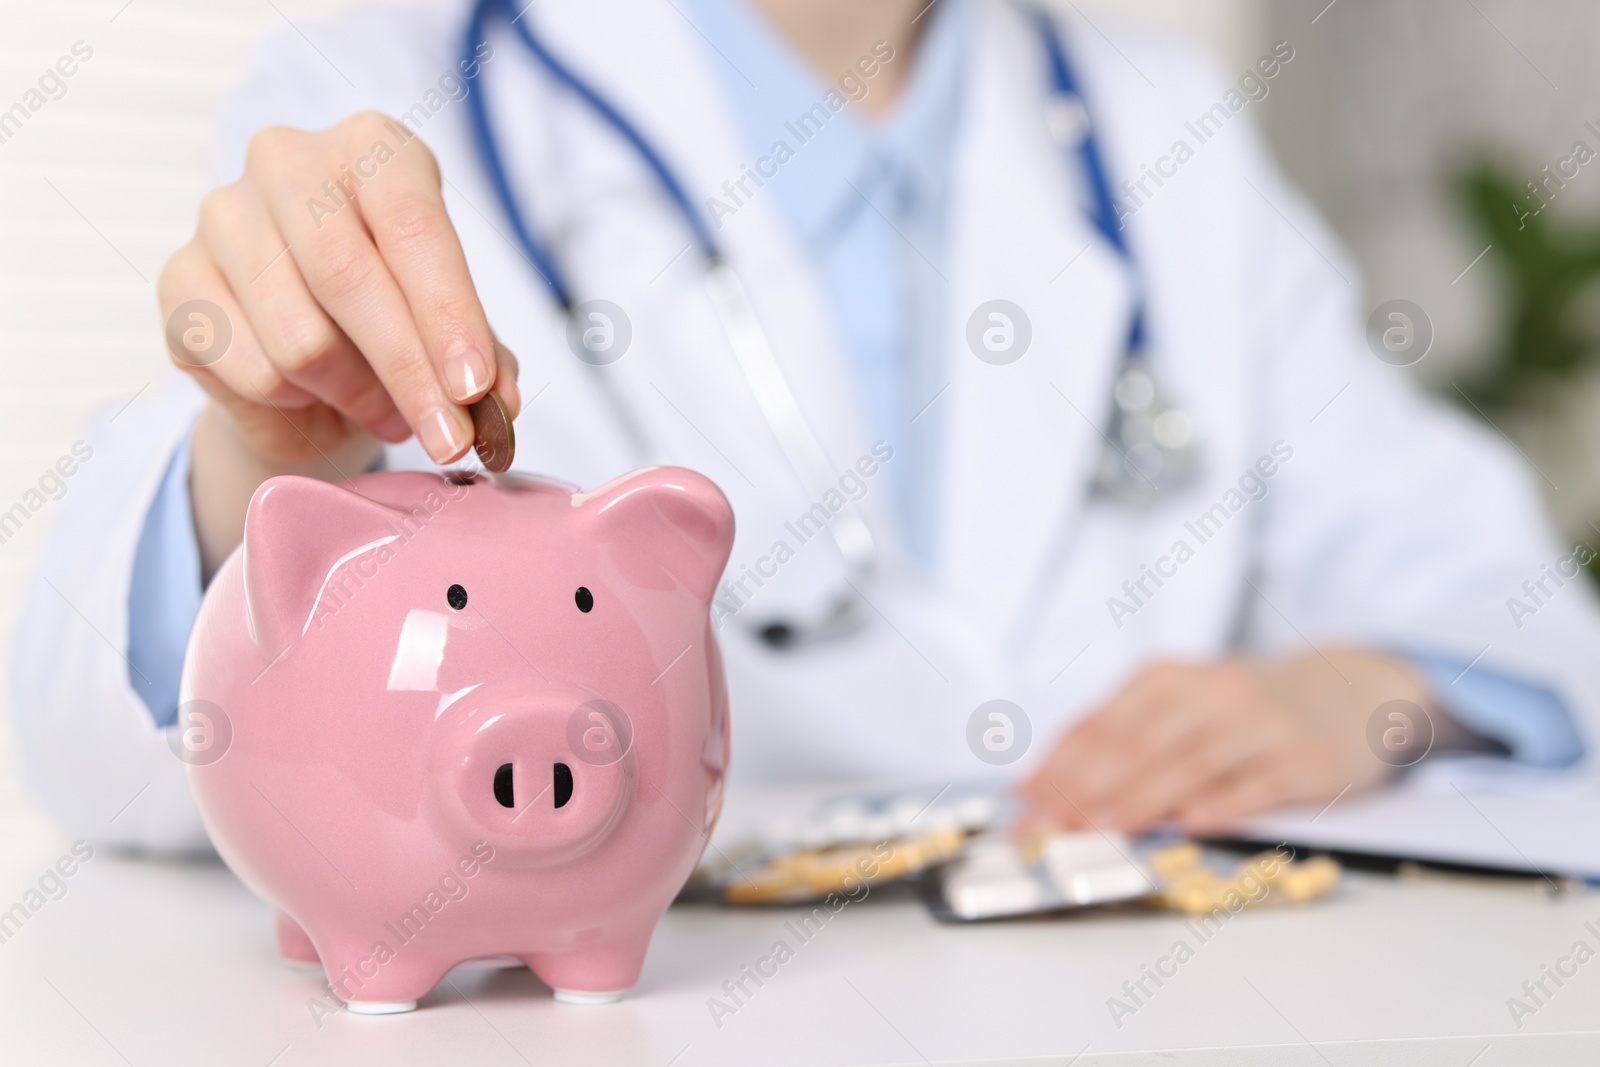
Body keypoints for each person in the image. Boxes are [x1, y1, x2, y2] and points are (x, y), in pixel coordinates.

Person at [13, 0, 1598, 854]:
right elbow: (104, 755)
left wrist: (1388, 686)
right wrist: (267, 472)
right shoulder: (391, 97)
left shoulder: (1157, 127)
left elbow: (1504, 597)